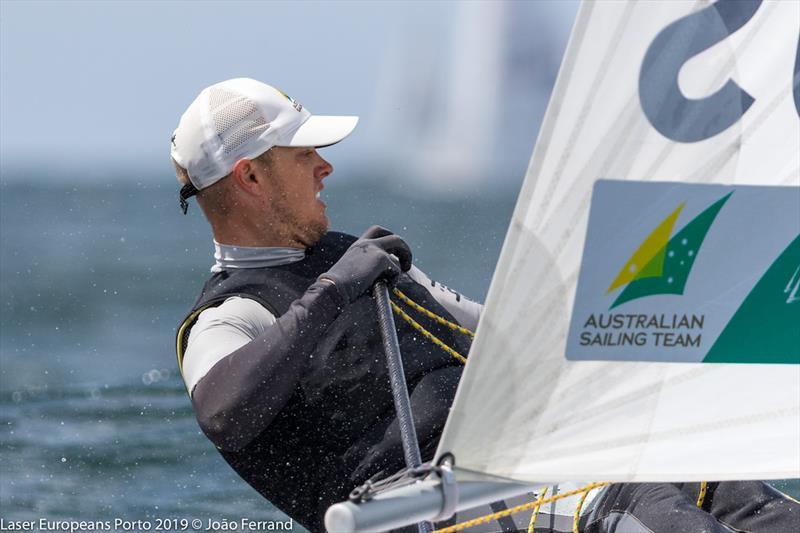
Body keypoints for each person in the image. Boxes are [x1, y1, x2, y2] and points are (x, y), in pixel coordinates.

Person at [171, 78, 799, 533]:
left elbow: (497, 328)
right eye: (304, 154)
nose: (324, 167)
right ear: (251, 179)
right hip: (426, 507)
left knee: (744, 500)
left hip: (535, 455)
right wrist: (334, 291)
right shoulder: (229, 315)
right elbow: (222, 411)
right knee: (645, 510)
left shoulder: (351, 255)